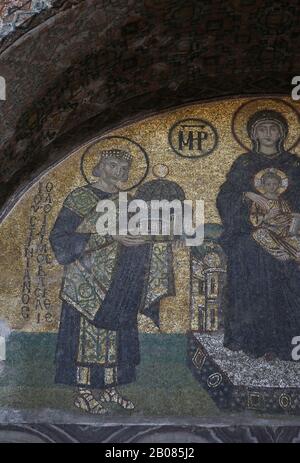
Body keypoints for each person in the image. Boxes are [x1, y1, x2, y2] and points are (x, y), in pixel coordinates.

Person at [50, 149, 175, 413]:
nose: (117, 170)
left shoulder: (127, 201)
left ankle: (109, 388)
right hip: (85, 280)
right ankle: (84, 391)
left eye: (122, 167)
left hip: (118, 280)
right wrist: (108, 236)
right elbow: (61, 239)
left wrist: (146, 241)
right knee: (86, 338)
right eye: (112, 164)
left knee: (115, 335)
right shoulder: (79, 197)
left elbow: (137, 232)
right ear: (99, 165)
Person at [216, 109, 300, 361]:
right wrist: (248, 196)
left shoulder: (294, 165)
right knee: (249, 264)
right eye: (262, 129)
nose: (268, 134)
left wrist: (294, 217)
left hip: (288, 234)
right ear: (253, 133)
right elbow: (226, 196)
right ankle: (252, 341)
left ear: (283, 133)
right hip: (250, 234)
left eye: (273, 129)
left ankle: (288, 342)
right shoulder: (244, 163)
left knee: (290, 277)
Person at [247, 168, 300, 262]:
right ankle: (279, 252)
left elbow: (287, 214)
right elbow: (254, 218)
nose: (272, 187)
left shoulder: (281, 201)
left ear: (279, 185)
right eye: (268, 184)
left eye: (275, 184)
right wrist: (268, 216)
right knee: (259, 233)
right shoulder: (259, 201)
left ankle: (295, 251)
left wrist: (293, 216)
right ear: (263, 185)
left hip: (285, 228)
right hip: (270, 229)